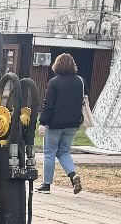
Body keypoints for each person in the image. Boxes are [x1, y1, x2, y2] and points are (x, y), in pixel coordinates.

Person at [37, 53, 94, 193]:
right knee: (64, 151)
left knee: (49, 153)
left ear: (57, 65)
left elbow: (48, 104)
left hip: (55, 124)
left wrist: (42, 122)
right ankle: (73, 175)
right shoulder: (81, 81)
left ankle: (46, 185)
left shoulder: (54, 82)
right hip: (73, 123)